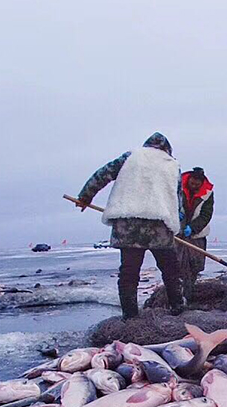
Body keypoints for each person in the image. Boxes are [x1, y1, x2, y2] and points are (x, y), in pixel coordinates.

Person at [75, 132, 184, 319]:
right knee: (170, 269)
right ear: (167, 149)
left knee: (129, 272)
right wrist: (179, 222)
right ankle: (177, 307)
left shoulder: (131, 156)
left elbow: (103, 174)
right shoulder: (172, 165)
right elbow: (177, 197)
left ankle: (130, 315)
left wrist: (86, 196)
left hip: (128, 223)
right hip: (159, 225)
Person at [179, 166, 214, 300]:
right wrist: (175, 215)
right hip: (178, 234)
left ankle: (188, 294)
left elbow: (206, 214)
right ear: (189, 179)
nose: (194, 186)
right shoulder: (178, 187)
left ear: (202, 183)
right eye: (192, 183)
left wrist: (192, 228)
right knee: (177, 265)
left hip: (197, 236)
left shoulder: (208, 193)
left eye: (197, 184)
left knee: (194, 266)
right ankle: (177, 295)